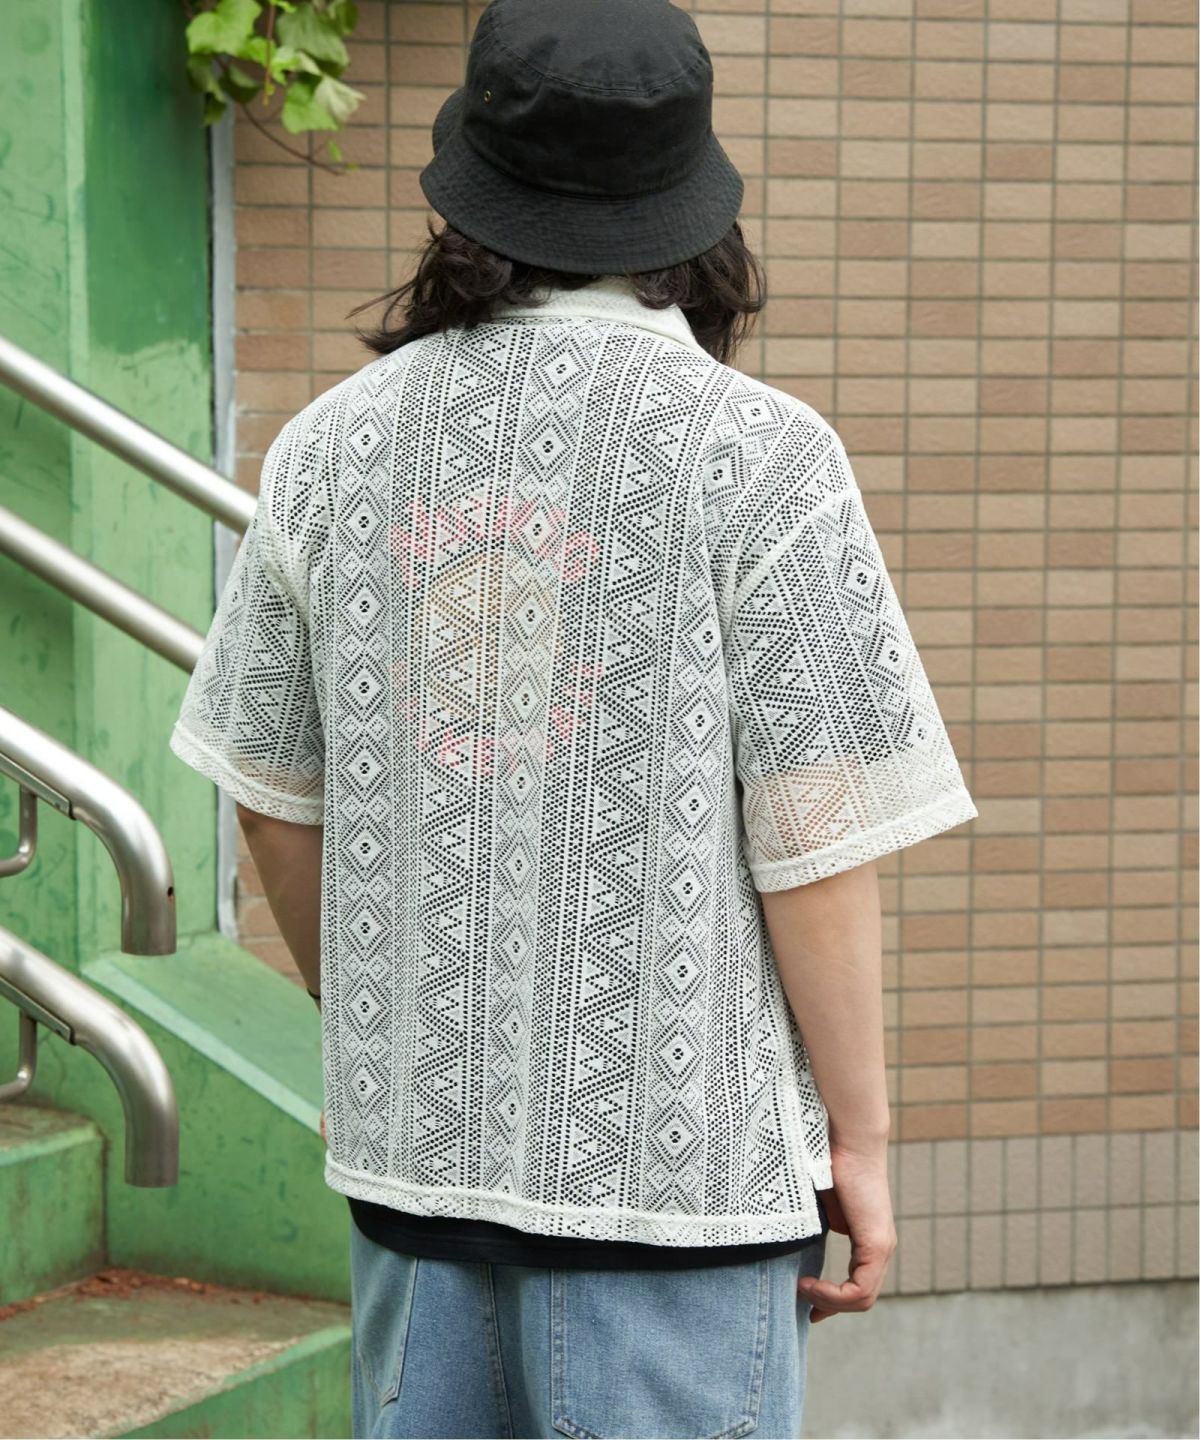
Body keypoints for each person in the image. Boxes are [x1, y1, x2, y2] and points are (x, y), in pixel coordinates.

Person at [169, 0, 979, 1434]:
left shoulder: (329, 449)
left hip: (417, 1194)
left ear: (470, 189)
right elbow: (814, 838)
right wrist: (859, 1138)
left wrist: (385, 1029)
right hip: (680, 1204)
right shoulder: (758, 458)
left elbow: (275, 799)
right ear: (689, 208)